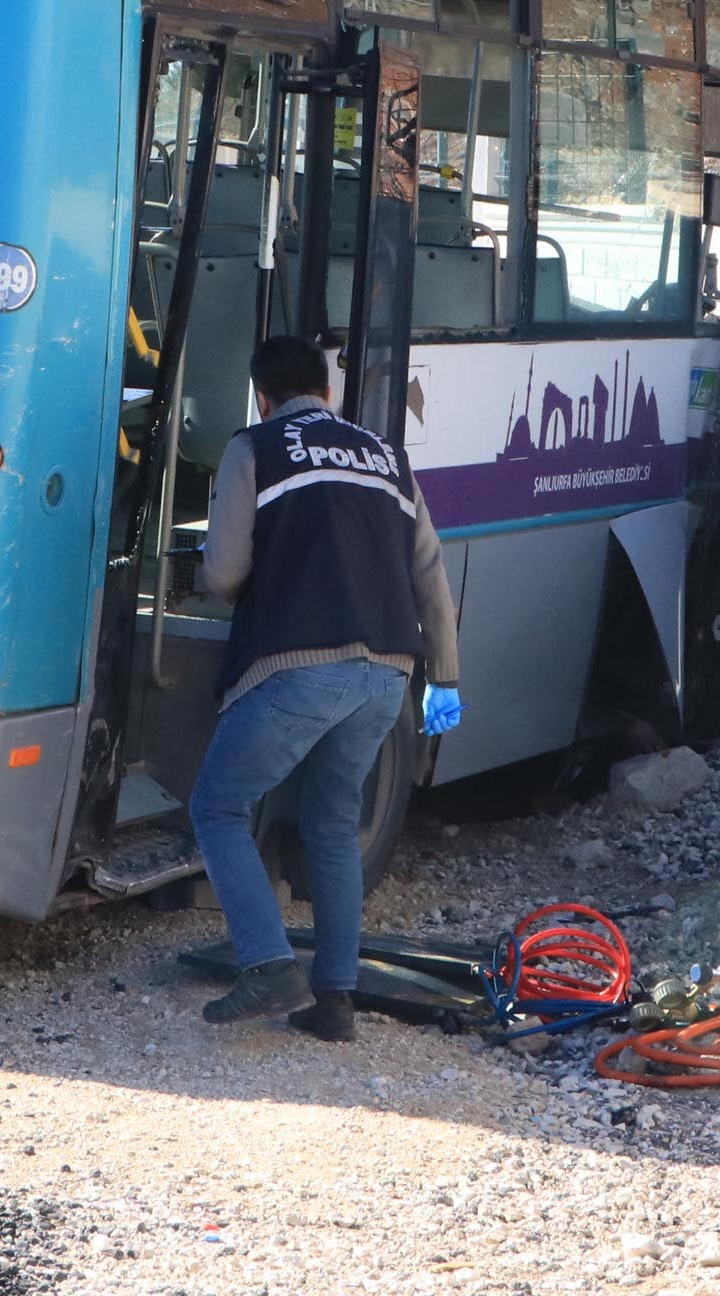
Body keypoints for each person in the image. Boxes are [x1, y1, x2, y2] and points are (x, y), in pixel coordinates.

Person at [189, 335, 461, 1042]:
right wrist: (447, 678)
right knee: (333, 823)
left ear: (263, 396)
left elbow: (222, 573)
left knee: (218, 806)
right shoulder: (388, 458)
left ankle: (270, 964)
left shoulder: (255, 448)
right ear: (329, 393)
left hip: (300, 666)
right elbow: (431, 577)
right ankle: (335, 998)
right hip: (388, 677)